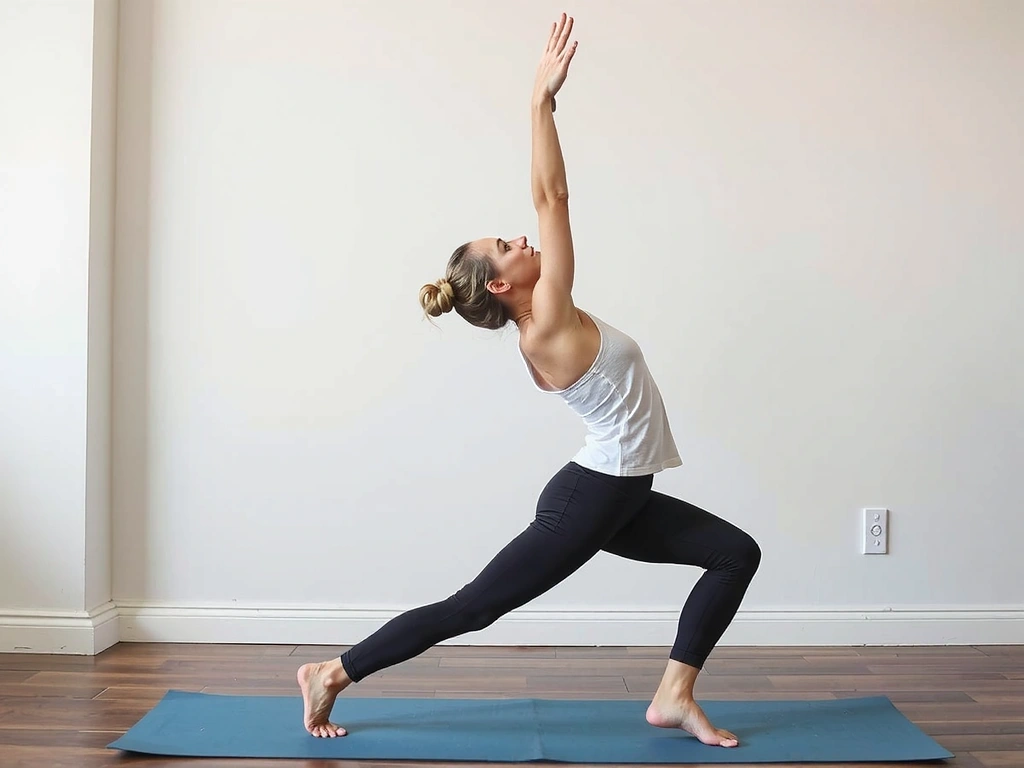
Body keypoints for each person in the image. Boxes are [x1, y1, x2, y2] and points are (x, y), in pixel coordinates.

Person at [298, 13, 761, 749]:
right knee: (475, 607)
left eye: (508, 235)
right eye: (503, 247)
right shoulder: (544, 322)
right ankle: (333, 670)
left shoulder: (551, 314)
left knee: (737, 553)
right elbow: (554, 198)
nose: (519, 237)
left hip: (618, 491)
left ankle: (675, 694)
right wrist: (539, 102)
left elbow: (547, 212)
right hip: (593, 497)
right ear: (506, 287)